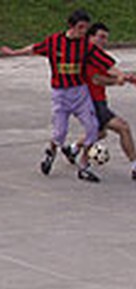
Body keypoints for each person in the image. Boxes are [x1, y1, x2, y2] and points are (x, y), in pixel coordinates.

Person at [1, 9, 124, 182]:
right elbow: (35, 48)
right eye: (80, 28)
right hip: (61, 94)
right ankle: (51, 152)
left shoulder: (86, 46)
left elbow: (106, 62)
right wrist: (15, 53)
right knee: (60, 134)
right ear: (71, 26)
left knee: (92, 129)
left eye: (85, 28)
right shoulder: (54, 42)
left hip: (80, 93)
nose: (83, 32)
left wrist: (119, 74)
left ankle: (84, 167)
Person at [61, 22, 136, 179]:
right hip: (90, 102)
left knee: (99, 133)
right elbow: (96, 79)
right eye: (101, 37)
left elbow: (109, 73)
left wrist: (126, 77)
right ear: (90, 37)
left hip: (99, 100)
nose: (104, 41)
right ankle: (134, 165)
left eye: (106, 38)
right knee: (123, 127)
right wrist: (117, 81)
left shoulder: (99, 56)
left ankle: (73, 149)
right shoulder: (86, 57)